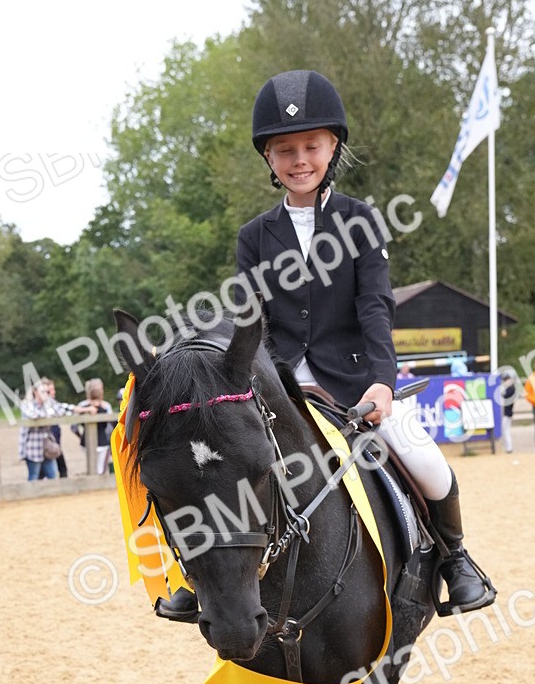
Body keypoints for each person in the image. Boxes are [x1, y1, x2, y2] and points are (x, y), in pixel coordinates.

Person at [158, 69, 496, 622]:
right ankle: (197, 578)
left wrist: (382, 382)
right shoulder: (253, 236)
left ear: (332, 146)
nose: (299, 160)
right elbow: (251, 319)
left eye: (311, 146)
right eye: (285, 150)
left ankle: (457, 560)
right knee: (215, 469)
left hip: (355, 384)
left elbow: (375, 307)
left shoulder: (360, 221)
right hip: (280, 388)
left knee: (426, 460)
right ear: (268, 157)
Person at [19, 381, 86, 481]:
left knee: (52, 474)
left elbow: (62, 408)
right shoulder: (27, 404)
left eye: (47, 392)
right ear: (35, 392)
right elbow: (34, 415)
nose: (45, 394)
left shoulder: (49, 404)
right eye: (42, 392)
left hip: (47, 446)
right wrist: (50, 413)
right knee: (34, 476)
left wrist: (82, 410)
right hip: (32, 448)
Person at [77, 378, 115, 474]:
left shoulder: (82, 406)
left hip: (87, 441)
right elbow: (110, 425)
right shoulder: (106, 407)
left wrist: (80, 436)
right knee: (100, 469)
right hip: (102, 441)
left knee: (92, 467)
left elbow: (74, 425)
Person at [37, 378, 69, 480]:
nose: (53, 392)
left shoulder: (52, 403)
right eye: (51, 390)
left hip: (54, 437)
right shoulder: (41, 405)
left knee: (58, 461)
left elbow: (63, 408)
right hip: (47, 440)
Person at [499, 370, 517, 454]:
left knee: (505, 430)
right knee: (505, 430)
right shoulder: (508, 389)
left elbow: (504, 397)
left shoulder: (511, 389)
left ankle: (509, 447)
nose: (505, 381)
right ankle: (507, 447)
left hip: (507, 413)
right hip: (506, 412)